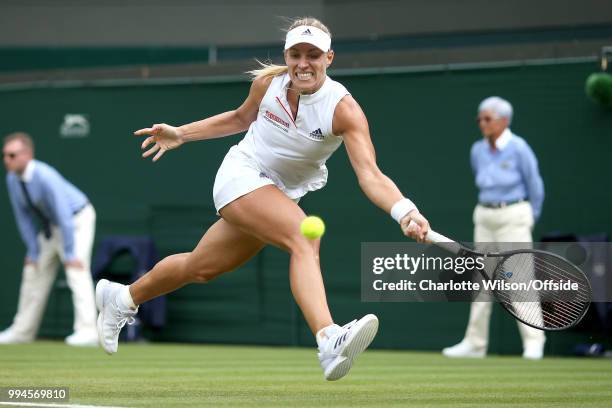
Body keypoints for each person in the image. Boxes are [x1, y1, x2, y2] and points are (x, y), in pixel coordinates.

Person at [95, 17, 430, 381]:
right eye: (296, 54)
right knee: (305, 236)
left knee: (200, 267)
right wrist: (181, 134)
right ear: (287, 56)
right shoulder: (267, 84)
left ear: (329, 58)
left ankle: (123, 298)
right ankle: (329, 338)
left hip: (280, 193)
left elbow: (370, 175)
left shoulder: (343, 109)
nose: (304, 63)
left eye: (313, 54)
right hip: (241, 175)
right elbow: (240, 119)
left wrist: (404, 211)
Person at [442, 96, 546, 360]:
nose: (482, 123)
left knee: (520, 278)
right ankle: (475, 344)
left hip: (514, 214)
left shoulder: (519, 147)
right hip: (485, 215)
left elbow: (535, 186)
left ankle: (534, 342)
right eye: (479, 118)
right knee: (481, 279)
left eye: (487, 118)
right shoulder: (477, 150)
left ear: (504, 121)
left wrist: (528, 216)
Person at [1, 132, 98, 346]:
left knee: (76, 270)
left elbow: (64, 212)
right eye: (5, 156)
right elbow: (23, 217)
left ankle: (88, 331)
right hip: (52, 227)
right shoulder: (12, 180)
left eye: (12, 155)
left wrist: (70, 252)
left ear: (27, 154)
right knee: (32, 270)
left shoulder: (45, 175)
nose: (7, 160)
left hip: (77, 220)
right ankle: (22, 332)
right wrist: (33, 251)